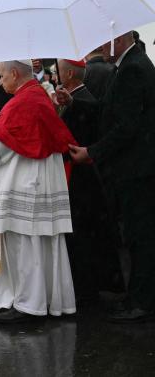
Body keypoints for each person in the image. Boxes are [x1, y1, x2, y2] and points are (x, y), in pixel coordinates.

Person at [0, 60, 77, 323]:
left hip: (25, 186)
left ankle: (29, 306)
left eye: (1, 76)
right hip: (34, 184)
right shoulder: (35, 96)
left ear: (14, 73)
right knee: (35, 245)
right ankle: (34, 301)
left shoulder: (25, 101)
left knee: (26, 246)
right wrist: (0, 124)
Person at [70, 31, 155, 322]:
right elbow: (109, 111)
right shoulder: (127, 65)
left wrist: (92, 152)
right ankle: (136, 296)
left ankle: (142, 302)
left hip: (138, 170)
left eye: (103, 39)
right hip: (135, 168)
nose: (99, 46)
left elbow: (126, 127)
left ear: (117, 39)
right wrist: (72, 101)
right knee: (135, 235)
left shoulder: (133, 68)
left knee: (140, 237)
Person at [55, 59, 124, 302]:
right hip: (83, 177)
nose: (55, 74)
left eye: (58, 70)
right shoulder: (77, 98)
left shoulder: (85, 98)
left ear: (70, 73)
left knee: (86, 235)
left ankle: (88, 286)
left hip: (83, 177)